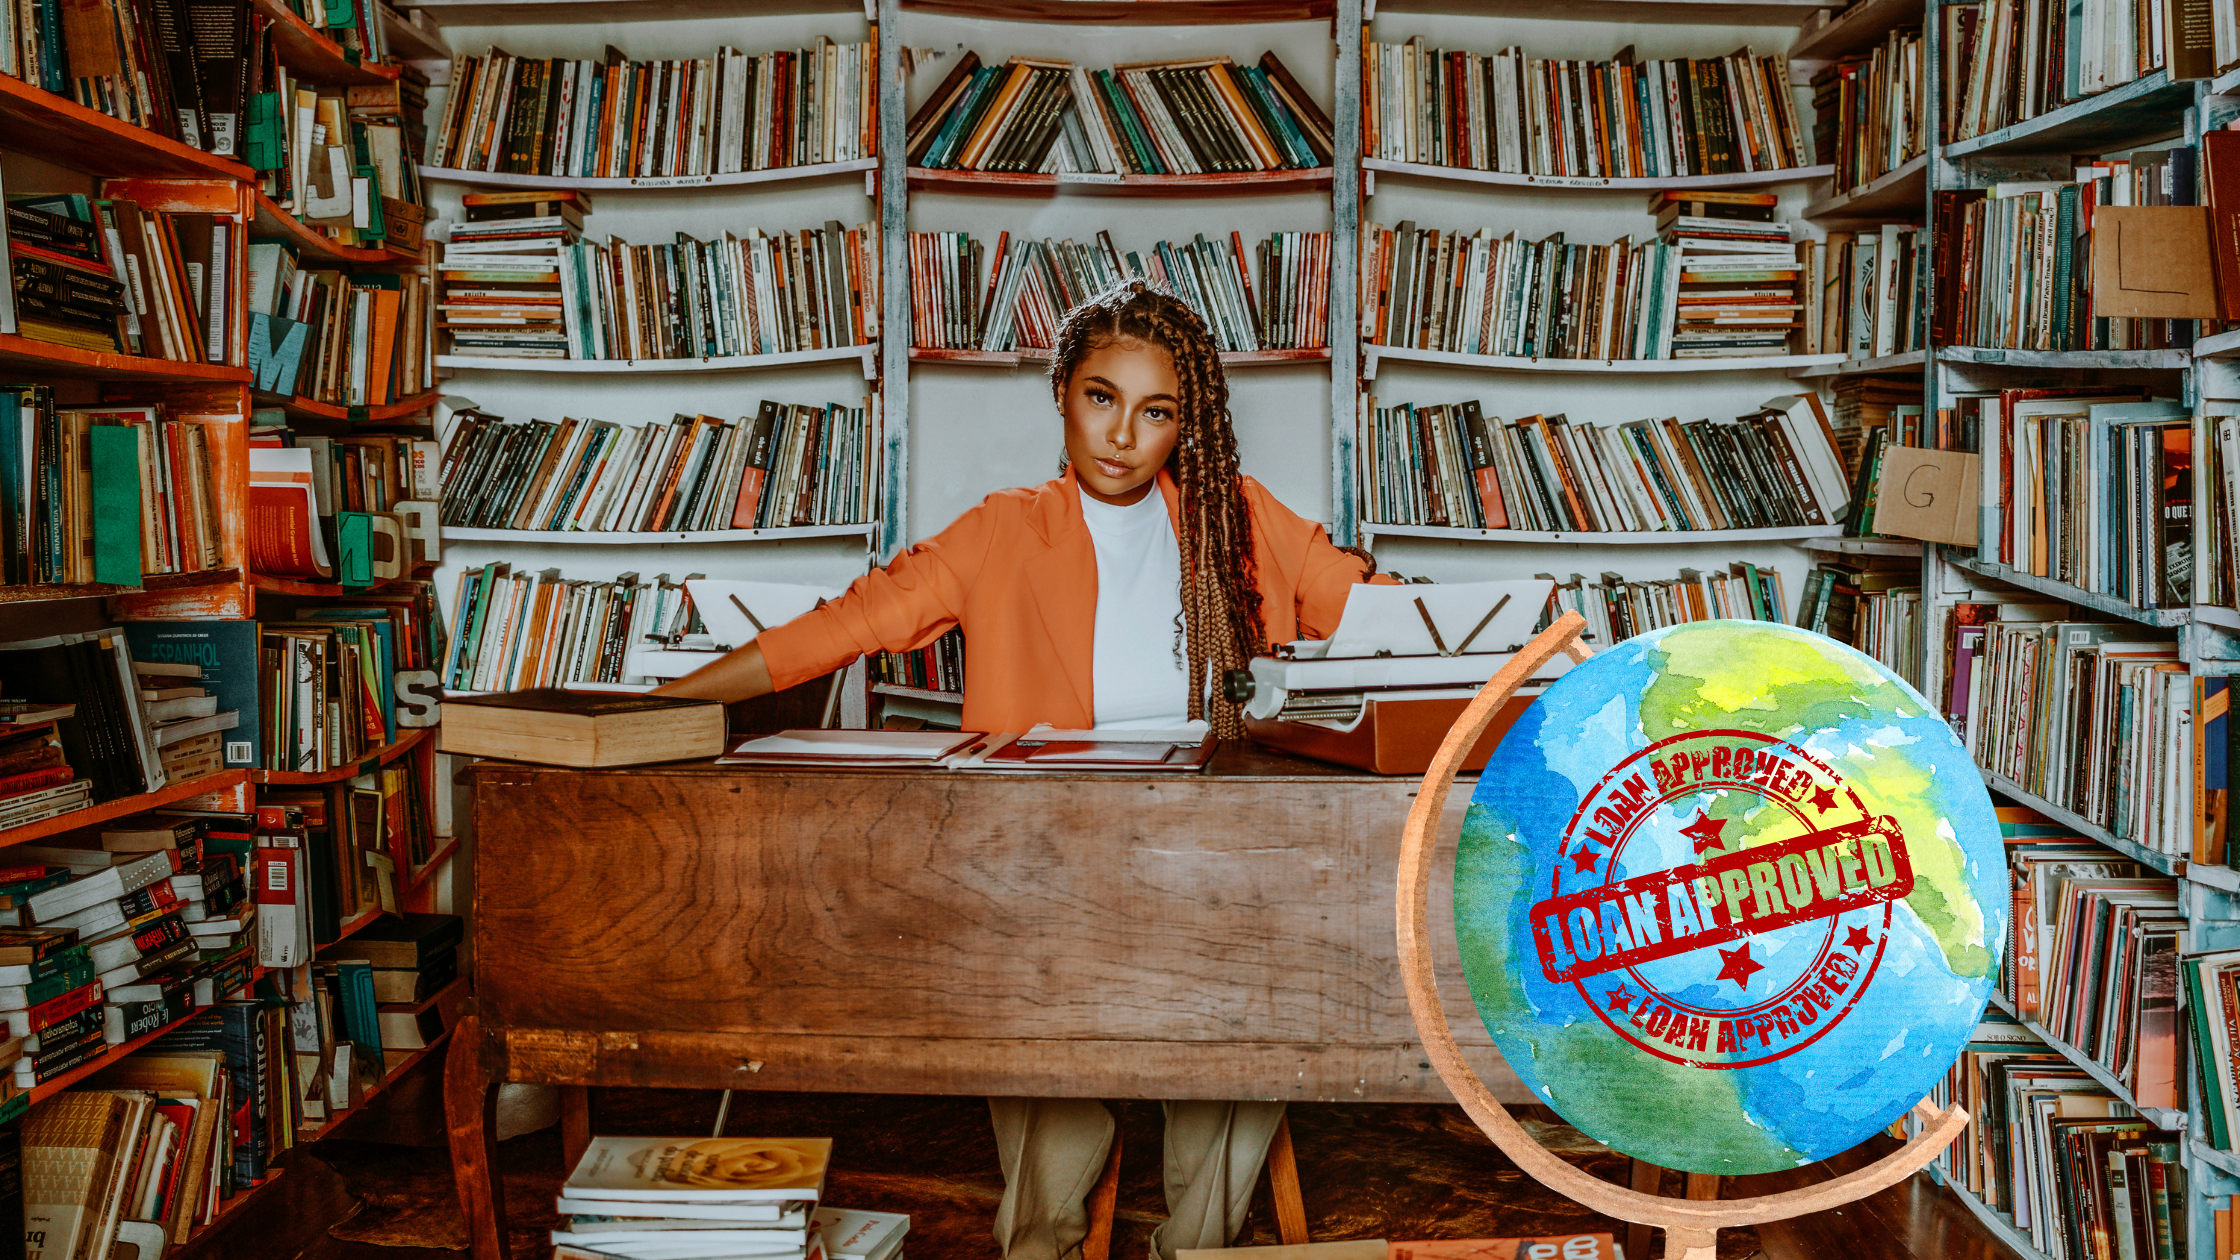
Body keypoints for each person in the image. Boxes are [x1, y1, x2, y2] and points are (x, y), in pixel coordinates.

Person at [653, 280, 1390, 1260]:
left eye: (1154, 411)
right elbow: (842, 627)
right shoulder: (1002, 528)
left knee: (1255, 1002)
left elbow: (1390, 623)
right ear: (1061, 396)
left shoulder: (1243, 519)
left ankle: (1199, 1246)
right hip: (1047, 860)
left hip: (1211, 857)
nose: (1122, 434)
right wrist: (660, 708)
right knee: (1017, 974)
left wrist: (1531, 656)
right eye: (1100, 397)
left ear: (1186, 425)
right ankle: (1037, 1242)